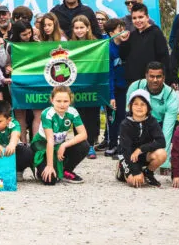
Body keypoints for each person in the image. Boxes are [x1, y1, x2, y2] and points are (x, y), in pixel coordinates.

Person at [127, 62, 179, 173]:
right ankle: (127, 159)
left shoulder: (171, 95)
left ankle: (170, 159)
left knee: (176, 128)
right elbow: (128, 115)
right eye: (151, 76)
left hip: (158, 125)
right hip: (139, 122)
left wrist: (164, 163)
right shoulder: (135, 87)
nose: (155, 80)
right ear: (146, 76)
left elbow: (167, 130)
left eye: (158, 76)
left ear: (164, 78)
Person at [31, 85, 89, 185]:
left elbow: (83, 134)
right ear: (52, 100)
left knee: (84, 145)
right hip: (43, 146)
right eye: (58, 101)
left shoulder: (73, 112)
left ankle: (67, 170)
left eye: (65, 101)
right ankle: (42, 167)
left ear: (70, 101)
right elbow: (50, 140)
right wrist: (49, 166)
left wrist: (64, 145)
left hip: (58, 146)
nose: (62, 104)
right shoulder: (47, 113)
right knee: (50, 180)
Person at [115, 89, 167, 188]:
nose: (139, 107)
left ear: (148, 107)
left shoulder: (152, 121)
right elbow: (126, 150)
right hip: (128, 156)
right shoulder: (125, 124)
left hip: (142, 154)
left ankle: (148, 172)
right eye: (135, 104)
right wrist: (136, 172)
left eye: (143, 104)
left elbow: (162, 142)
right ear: (130, 106)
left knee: (162, 154)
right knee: (135, 182)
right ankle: (121, 169)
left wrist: (140, 149)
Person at [70, 15, 103, 158]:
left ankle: (90, 144)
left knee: (91, 114)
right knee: (77, 114)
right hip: (75, 85)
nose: (79, 30)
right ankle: (79, 144)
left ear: (88, 27)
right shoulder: (68, 45)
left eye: (82, 27)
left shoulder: (96, 43)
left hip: (92, 84)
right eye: (76, 28)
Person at [118, 2, 169, 85]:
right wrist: (123, 42)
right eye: (134, 18)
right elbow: (123, 56)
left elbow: (164, 57)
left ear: (147, 17)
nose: (137, 20)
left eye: (140, 17)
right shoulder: (132, 35)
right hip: (133, 83)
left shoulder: (156, 33)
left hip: (151, 83)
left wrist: (167, 79)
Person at [0, 100, 33, 176]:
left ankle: (18, 170)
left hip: (10, 151)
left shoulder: (14, 123)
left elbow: (16, 134)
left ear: (8, 120)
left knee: (27, 153)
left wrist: (12, 144)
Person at [102, 18, 128, 157]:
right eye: (120, 30)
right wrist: (111, 95)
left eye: (124, 28)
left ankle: (123, 144)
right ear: (112, 33)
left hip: (126, 87)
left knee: (124, 116)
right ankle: (112, 144)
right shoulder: (108, 49)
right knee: (112, 117)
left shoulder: (128, 45)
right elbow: (109, 74)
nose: (123, 32)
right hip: (113, 88)